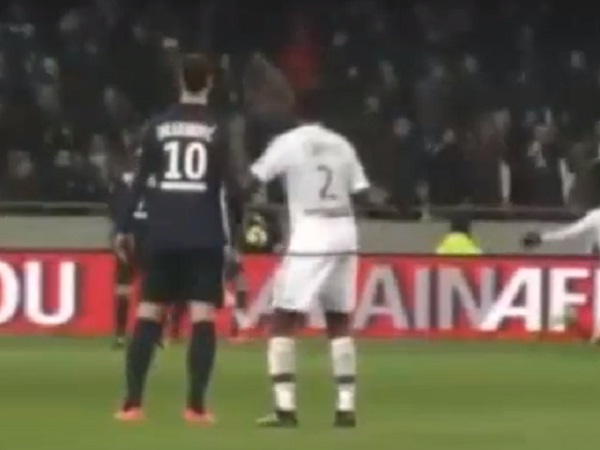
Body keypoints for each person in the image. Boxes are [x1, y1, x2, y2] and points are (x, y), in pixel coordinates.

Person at [113, 54, 243, 424]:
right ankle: (195, 407)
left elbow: (139, 182)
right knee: (202, 315)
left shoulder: (157, 126)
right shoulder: (217, 128)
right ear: (210, 83)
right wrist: (235, 237)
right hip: (204, 234)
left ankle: (132, 404)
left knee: (149, 311)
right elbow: (231, 189)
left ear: (180, 81)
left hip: (162, 233)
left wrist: (123, 227)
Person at [247, 88, 371, 428]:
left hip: (311, 230)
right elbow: (363, 194)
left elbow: (254, 178)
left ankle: (285, 408)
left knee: (283, 318)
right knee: (339, 319)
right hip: (344, 229)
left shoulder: (288, 142)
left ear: (294, 110)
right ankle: (345, 408)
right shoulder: (342, 144)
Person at [522, 208, 600, 343]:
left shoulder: (596, 215)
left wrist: (543, 237)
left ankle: (597, 333)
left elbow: (571, 232)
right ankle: (597, 333)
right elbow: (572, 232)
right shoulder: (596, 215)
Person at [109, 157, 151, 349]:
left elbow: (117, 211)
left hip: (130, 236)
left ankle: (121, 334)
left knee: (125, 288)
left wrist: (119, 232)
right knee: (149, 290)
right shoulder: (155, 183)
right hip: (146, 237)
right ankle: (148, 334)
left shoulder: (125, 185)